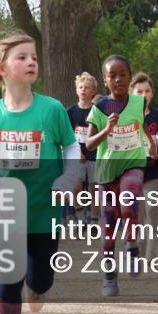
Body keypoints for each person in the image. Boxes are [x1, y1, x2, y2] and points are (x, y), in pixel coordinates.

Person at [0, 32, 82, 314]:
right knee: (9, 281)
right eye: (22, 57)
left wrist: (69, 177)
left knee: (41, 279)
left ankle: (37, 289)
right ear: (2, 70)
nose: (31, 61)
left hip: (45, 210)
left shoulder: (52, 109)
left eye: (33, 57)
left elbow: (71, 145)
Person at [85, 54, 155, 296]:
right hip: (107, 171)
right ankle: (109, 277)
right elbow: (89, 144)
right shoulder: (100, 107)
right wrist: (107, 129)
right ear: (105, 80)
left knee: (130, 199)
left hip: (133, 162)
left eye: (122, 74)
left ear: (129, 76)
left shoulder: (137, 103)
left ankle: (132, 244)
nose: (118, 79)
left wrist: (151, 143)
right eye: (112, 76)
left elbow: (141, 123)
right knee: (108, 232)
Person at [131, 72, 158, 263]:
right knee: (137, 212)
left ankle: (151, 252)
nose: (143, 94)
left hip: (154, 169)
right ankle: (140, 244)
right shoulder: (125, 115)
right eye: (139, 91)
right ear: (132, 93)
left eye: (146, 91)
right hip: (132, 170)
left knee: (152, 209)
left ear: (152, 93)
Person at [67, 72, 99, 226]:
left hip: (95, 154)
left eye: (87, 88)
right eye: (81, 87)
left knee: (95, 188)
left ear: (93, 91)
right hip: (76, 155)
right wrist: (76, 151)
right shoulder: (70, 112)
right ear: (76, 90)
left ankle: (93, 220)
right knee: (75, 186)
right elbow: (66, 134)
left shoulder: (98, 111)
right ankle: (80, 217)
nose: (83, 90)